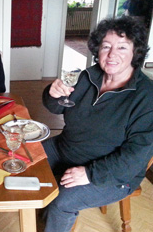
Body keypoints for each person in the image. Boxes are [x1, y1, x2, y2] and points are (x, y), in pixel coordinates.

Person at [41, 16, 153, 232]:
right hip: (65, 148)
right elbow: (56, 107)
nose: (112, 54)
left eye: (122, 47)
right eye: (106, 46)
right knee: (28, 160)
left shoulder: (146, 97)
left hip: (111, 173)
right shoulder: (87, 76)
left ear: (135, 52)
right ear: (97, 50)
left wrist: (89, 173)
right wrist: (52, 93)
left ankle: (51, 217)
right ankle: (40, 212)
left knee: (62, 202)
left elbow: (135, 158)